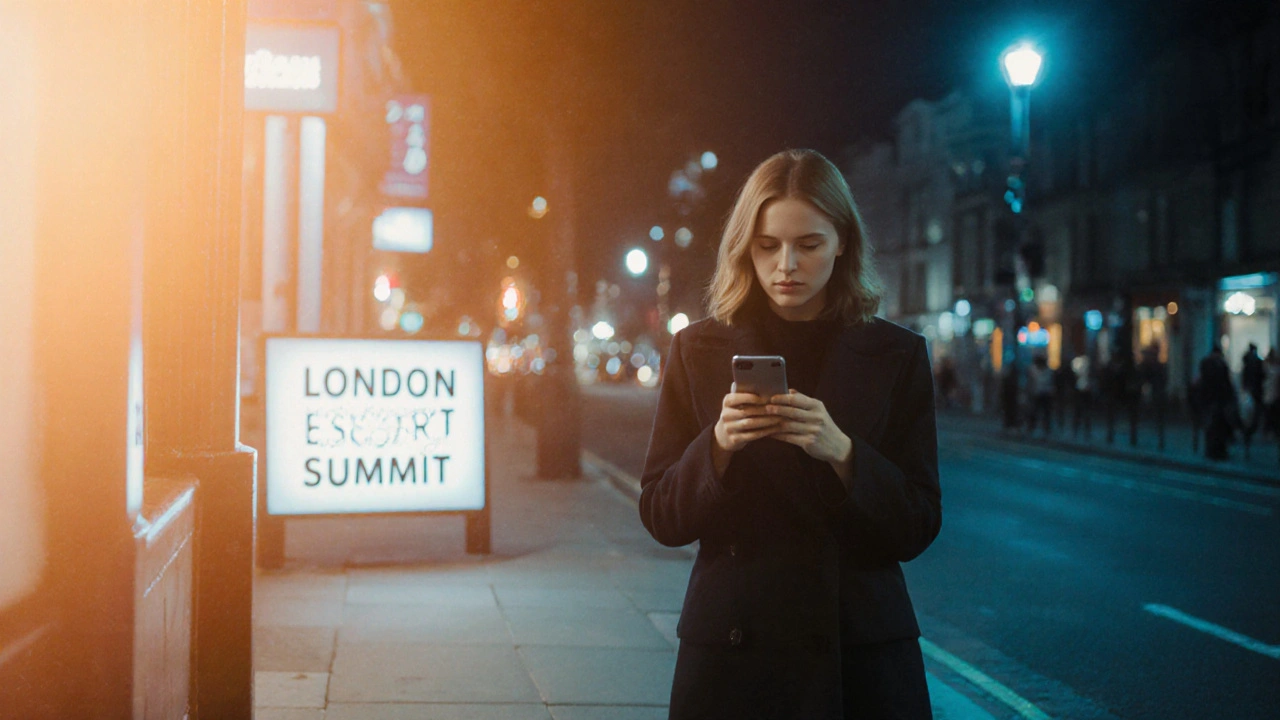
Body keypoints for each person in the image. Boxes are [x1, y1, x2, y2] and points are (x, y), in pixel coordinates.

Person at [639, 149, 939, 719]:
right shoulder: (697, 350)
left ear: (843, 242)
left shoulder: (896, 355)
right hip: (733, 651)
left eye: (809, 244)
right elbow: (660, 515)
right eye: (767, 245)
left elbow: (919, 523)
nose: (786, 266)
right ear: (744, 246)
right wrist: (718, 447)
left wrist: (844, 455)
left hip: (857, 660)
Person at [1199, 345, 1235, 460]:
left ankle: (1215, 450)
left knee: (1215, 426)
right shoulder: (1216, 364)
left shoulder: (1210, 363)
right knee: (1215, 426)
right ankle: (1215, 451)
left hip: (1214, 399)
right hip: (1215, 399)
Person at [1025, 354, 1054, 435]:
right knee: (1035, 412)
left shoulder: (1048, 371)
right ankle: (1032, 427)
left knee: (1045, 412)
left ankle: (1045, 428)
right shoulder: (1033, 370)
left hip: (1045, 394)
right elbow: (1030, 382)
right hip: (1037, 393)